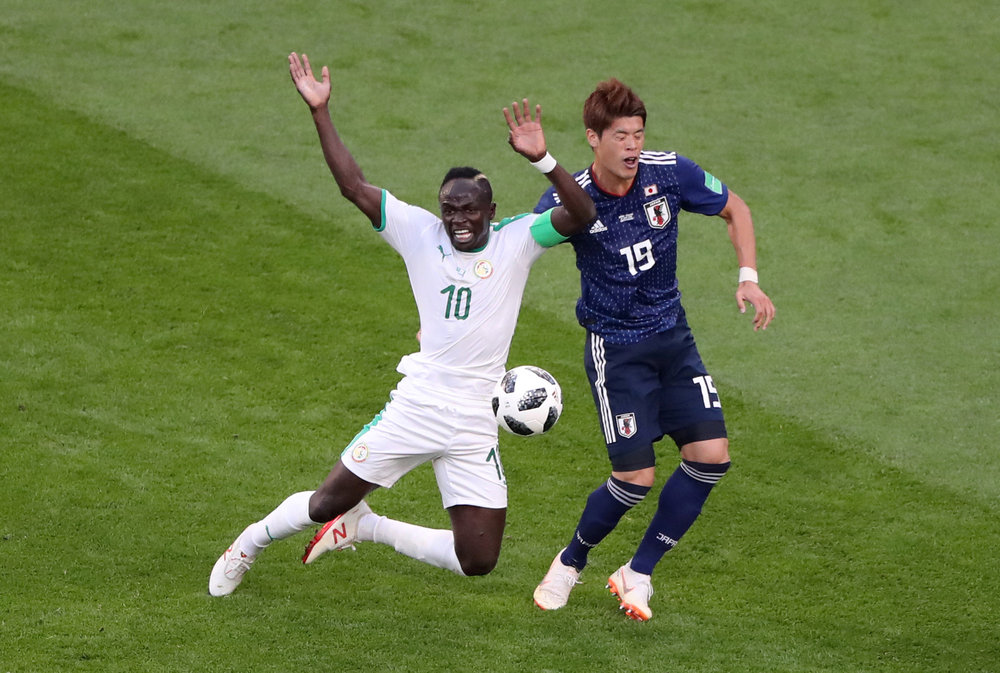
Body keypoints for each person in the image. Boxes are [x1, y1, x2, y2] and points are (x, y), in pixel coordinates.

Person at [208, 53, 596, 597]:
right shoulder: (418, 232)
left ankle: (368, 527)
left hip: (475, 417)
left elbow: (583, 216)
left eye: (469, 209)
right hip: (419, 403)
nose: (458, 220)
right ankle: (248, 544)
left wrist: (544, 160)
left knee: (478, 559)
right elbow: (354, 186)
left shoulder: (519, 239)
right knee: (325, 502)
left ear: (491, 210)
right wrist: (320, 111)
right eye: (450, 209)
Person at [531, 78, 775, 621]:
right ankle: (569, 563)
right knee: (634, 479)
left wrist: (749, 277)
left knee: (711, 459)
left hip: (673, 340)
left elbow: (736, 208)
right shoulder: (571, 197)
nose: (633, 146)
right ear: (593, 137)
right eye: (621, 136)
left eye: (638, 134)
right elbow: (517, 250)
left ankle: (637, 573)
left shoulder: (669, 172)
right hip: (617, 352)